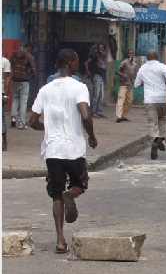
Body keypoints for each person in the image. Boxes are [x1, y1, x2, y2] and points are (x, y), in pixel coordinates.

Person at [28, 48, 98, 254]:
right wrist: (92, 136)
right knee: (80, 184)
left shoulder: (45, 89)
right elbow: (85, 116)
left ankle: (60, 241)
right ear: (71, 63)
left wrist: (47, 128)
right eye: (76, 62)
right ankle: (71, 195)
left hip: (52, 150)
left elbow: (32, 121)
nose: (77, 65)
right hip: (73, 148)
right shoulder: (79, 87)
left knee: (55, 194)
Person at [133, 50, 166, 160]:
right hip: (161, 98)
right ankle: (161, 138)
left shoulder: (142, 68)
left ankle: (155, 140)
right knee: (163, 118)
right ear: (156, 56)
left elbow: (136, 84)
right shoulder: (162, 66)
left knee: (152, 121)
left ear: (147, 58)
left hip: (149, 99)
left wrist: (144, 82)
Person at [9, 42, 37, 129]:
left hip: (15, 80)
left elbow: (9, 65)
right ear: (30, 48)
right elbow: (33, 70)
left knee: (15, 98)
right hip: (24, 81)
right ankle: (22, 123)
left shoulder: (14, 55)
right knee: (23, 101)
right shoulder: (29, 57)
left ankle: (13, 118)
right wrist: (33, 75)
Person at [84, 44, 107, 119]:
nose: (101, 49)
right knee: (95, 95)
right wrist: (88, 72)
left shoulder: (102, 56)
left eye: (102, 48)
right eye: (99, 48)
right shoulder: (94, 56)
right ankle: (93, 112)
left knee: (100, 95)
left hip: (100, 77)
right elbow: (86, 62)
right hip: (96, 76)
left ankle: (99, 112)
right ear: (97, 49)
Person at [115, 49, 137, 123]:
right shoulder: (124, 62)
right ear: (127, 54)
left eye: (132, 54)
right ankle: (118, 116)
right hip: (123, 84)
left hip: (130, 84)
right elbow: (117, 71)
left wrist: (134, 80)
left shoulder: (134, 64)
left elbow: (134, 74)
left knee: (129, 101)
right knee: (121, 99)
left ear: (133, 55)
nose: (130, 55)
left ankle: (124, 115)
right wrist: (123, 75)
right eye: (129, 54)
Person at [2, 57, 11, 150]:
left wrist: (6, 95)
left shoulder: (5, 62)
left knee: (1, 119)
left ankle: (4, 142)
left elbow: (7, 78)